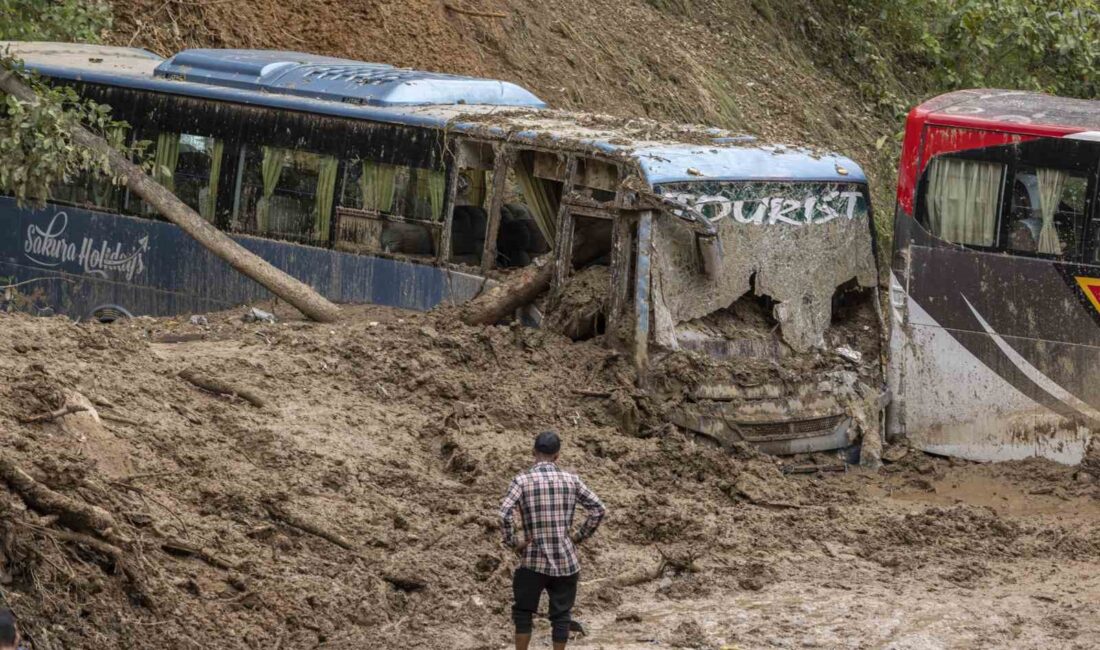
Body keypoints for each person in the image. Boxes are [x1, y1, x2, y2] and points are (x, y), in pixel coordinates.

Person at [499, 431, 606, 650]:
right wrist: (578, 537)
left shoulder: (521, 480)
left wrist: (514, 542)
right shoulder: (571, 480)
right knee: (561, 615)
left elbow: (504, 514)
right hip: (565, 561)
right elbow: (598, 509)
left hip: (532, 560)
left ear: (533, 453)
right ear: (557, 455)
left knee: (523, 613)